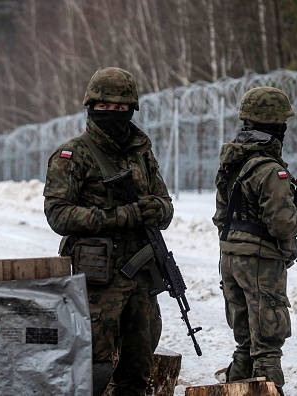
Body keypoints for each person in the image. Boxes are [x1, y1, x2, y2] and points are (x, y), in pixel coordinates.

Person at [43, 67, 174, 396]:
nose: (113, 114)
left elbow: (164, 203)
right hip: (99, 277)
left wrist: (158, 210)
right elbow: (58, 214)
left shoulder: (141, 152)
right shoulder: (72, 155)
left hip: (141, 273)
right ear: (91, 107)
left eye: (120, 108)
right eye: (105, 107)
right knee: (95, 366)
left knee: (138, 367)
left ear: (130, 110)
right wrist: (120, 215)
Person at [212, 87, 297, 395]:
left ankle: (236, 386)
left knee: (246, 343)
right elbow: (283, 224)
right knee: (267, 345)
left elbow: (220, 217)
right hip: (259, 263)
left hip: (229, 258)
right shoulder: (270, 169)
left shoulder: (232, 164)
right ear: (278, 126)